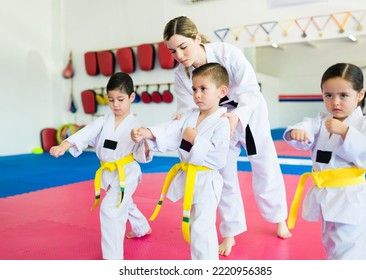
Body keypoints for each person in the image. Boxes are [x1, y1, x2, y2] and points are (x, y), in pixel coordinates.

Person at [163, 16, 291, 256]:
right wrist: (177, 124)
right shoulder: (181, 75)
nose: (179, 56)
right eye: (172, 51)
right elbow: (186, 109)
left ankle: (278, 218)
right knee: (223, 174)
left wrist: (236, 117)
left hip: (249, 113)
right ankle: (230, 233)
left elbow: (251, 90)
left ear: (197, 39)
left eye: (183, 47)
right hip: (215, 120)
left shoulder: (227, 53)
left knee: (265, 165)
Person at [131, 63, 230, 260]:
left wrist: (195, 140)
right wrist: (148, 134)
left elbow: (218, 157)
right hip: (191, 178)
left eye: (203, 89)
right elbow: (171, 130)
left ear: (221, 91)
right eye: (194, 89)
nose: (197, 95)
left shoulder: (222, 121)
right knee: (196, 225)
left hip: (206, 180)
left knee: (202, 227)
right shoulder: (190, 116)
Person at [283, 63, 366, 259]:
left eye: (343, 95)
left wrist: (346, 132)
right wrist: (298, 132)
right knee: (333, 247)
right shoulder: (321, 121)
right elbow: (307, 127)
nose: (335, 102)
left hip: (350, 200)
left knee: (348, 253)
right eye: (328, 95)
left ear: (360, 95)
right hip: (326, 198)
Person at [49, 72, 152, 260]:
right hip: (108, 172)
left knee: (110, 209)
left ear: (131, 97)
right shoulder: (103, 121)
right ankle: (142, 227)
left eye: (120, 99)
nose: (115, 105)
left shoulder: (137, 126)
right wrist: (64, 145)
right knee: (124, 202)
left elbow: (144, 154)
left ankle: (112, 259)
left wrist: (143, 140)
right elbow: (85, 134)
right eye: (111, 99)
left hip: (127, 173)